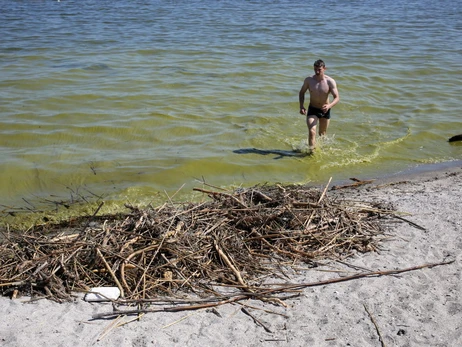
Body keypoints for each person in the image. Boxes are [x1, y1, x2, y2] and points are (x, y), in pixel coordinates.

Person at [299, 59, 340, 151]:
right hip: (313, 109)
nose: (317, 72)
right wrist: (301, 106)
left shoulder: (330, 81)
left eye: (319, 70)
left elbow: (337, 97)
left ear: (324, 69)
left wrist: (329, 106)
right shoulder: (309, 80)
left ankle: (322, 150)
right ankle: (311, 153)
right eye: (315, 69)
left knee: (322, 133)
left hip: (325, 110)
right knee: (312, 131)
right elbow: (302, 92)